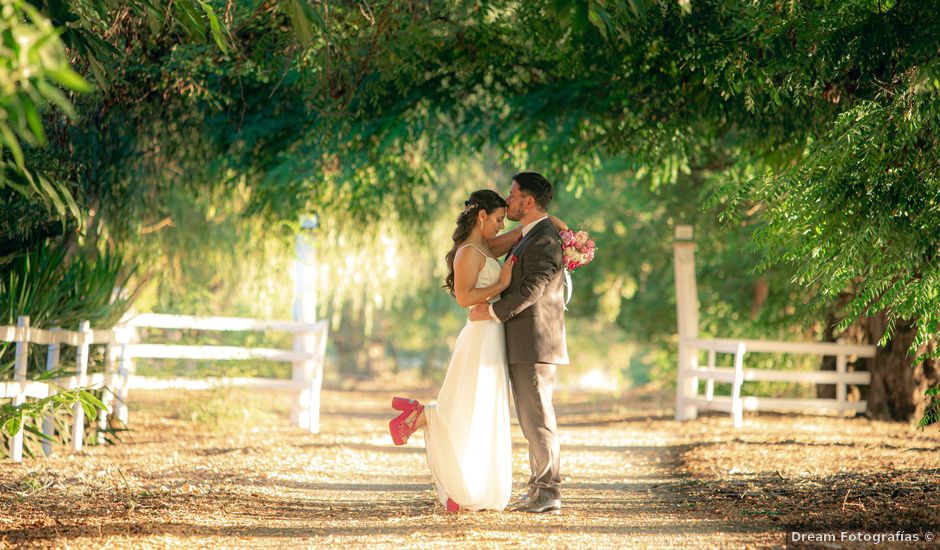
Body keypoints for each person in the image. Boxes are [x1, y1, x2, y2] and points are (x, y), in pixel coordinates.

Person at [388, 186, 566, 513]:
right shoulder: (468, 252)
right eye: (497, 218)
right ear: (482, 216)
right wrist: (500, 285)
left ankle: (465, 484)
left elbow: (518, 234)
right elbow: (464, 298)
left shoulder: (485, 245)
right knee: (469, 405)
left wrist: (550, 221)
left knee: (482, 410)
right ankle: (424, 417)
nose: (501, 224)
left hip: (493, 333)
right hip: (481, 333)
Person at [468, 172, 568, 515]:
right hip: (524, 340)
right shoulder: (530, 234)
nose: (507, 201)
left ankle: (549, 491)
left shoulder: (544, 238)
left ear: (528, 201)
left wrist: (494, 311)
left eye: (511, 195)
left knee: (538, 418)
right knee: (531, 419)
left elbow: (534, 288)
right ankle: (540, 488)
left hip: (536, 340)